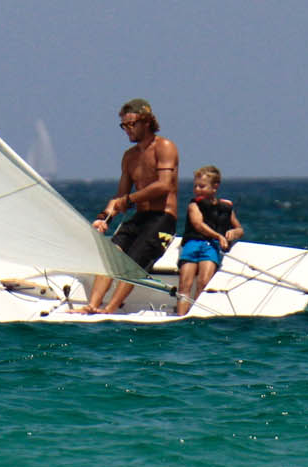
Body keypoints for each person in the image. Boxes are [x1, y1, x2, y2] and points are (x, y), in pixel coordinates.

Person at [73, 98, 179, 314]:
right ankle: (93, 305)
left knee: (134, 262)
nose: (127, 130)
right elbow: (120, 195)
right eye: (124, 125)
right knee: (110, 255)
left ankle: (110, 309)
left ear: (146, 122)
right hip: (139, 217)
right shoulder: (129, 157)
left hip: (162, 219)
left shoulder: (165, 147)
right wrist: (104, 218)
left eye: (131, 124)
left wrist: (129, 200)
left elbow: (164, 185)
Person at [176, 165, 242, 315]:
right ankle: (181, 315)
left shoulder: (225, 207)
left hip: (210, 247)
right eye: (195, 186)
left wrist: (234, 232)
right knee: (185, 285)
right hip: (193, 244)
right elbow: (198, 225)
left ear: (215, 187)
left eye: (202, 186)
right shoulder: (194, 205)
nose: (197, 189)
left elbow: (239, 229)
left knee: (203, 283)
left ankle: (196, 315)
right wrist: (218, 236)